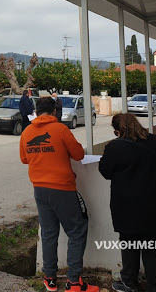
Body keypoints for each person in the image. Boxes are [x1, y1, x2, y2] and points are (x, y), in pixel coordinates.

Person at [99, 113, 156, 292]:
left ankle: (128, 282)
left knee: (129, 244)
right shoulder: (155, 141)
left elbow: (105, 171)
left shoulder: (115, 147)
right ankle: (154, 286)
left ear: (118, 131)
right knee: (153, 247)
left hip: (127, 206)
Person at [19, 97, 99, 292]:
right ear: (55, 111)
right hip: (62, 188)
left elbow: (24, 159)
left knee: (48, 233)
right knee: (77, 231)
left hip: (39, 188)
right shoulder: (61, 130)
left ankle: (50, 278)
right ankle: (74, 283)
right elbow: (79, 154)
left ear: (36, 111)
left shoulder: (27, 131)